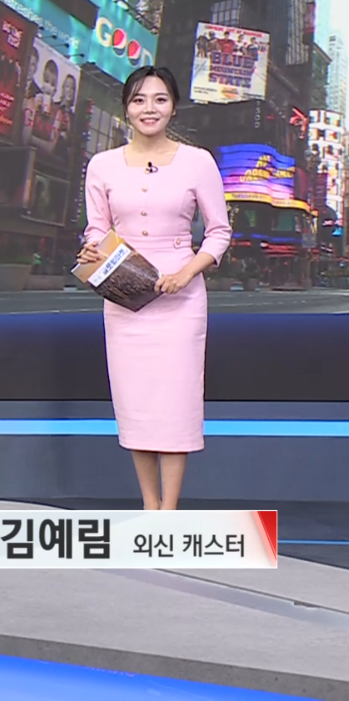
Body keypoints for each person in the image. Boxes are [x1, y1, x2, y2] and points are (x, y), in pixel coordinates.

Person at [76, 66, 232, 511]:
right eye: (139, 100)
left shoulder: (197, 161)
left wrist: (187, 273)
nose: (150, 108)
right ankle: (149, 505)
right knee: (137, 402)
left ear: (173, 107)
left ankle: (169, 511)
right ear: (126, 108)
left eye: (160, 99)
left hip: (181, 299)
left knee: (176, 402)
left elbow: (219, 232)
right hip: (126, 296)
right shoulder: (102, 165)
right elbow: (97, 228)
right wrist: (93, 249)